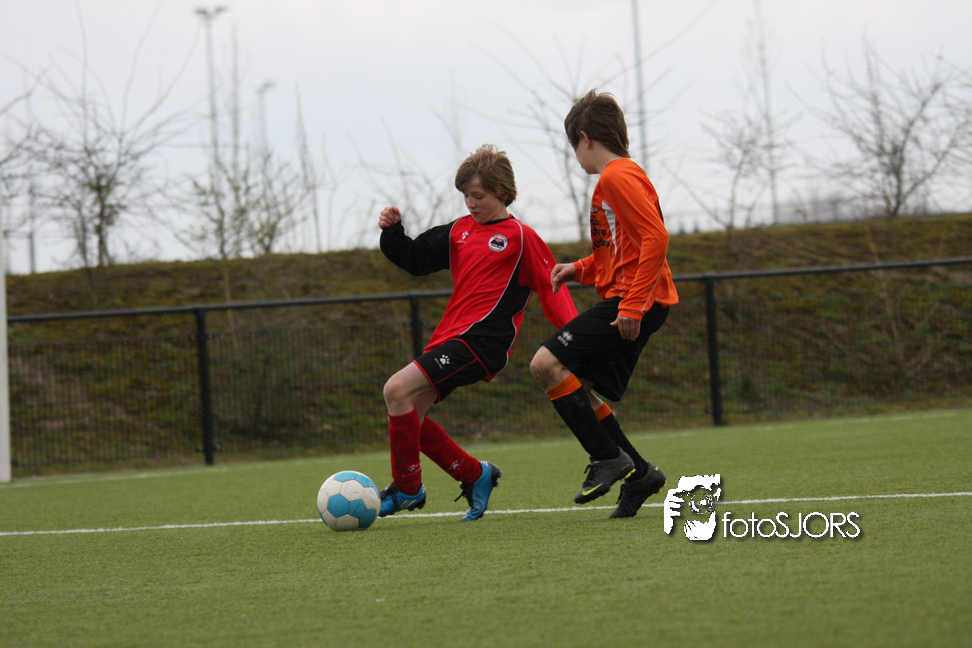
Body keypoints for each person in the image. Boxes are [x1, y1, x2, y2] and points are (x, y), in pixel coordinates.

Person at [378, 144, 578, 521]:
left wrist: (575, 339)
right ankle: (475, 475)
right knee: (409, 414)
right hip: (451, 339)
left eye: (478, 195)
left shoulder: (521, 237)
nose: (470, 203)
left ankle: (407, 489)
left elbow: (553, 289)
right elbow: (415, 259)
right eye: (466, 196)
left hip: (483, 343)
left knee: (395, 389)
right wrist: (392, 233)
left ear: (502, 192)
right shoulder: (460, 231)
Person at [530, 90, 679, 518]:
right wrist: (578, 268)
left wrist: (632, 307)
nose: (576, 157)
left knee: (545, 364)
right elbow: (620, 251)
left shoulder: (616, 177)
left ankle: (608, 458)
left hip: (633, 302)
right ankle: (640, 475)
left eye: (573, 146)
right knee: (576, 386)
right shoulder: (620, 176)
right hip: (638, 299)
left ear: (584, 138)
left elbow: (656, 239)